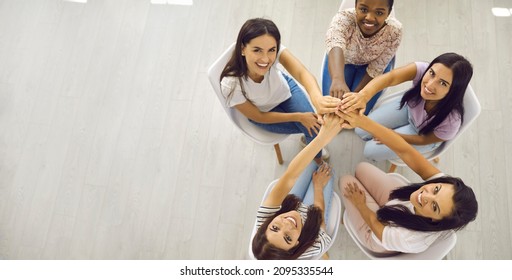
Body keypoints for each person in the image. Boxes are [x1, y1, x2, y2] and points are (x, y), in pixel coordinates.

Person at [337, 110, 478, 255]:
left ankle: (355, 215)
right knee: (362, 168)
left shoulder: (410, 238)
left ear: (437, 222)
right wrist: (364, 122)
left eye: (434, 207)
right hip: (395, 207)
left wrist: (360, 204)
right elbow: (406, 151)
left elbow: (376, 226)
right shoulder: (442, 189)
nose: (426, 196)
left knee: (346, 182)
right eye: (436, 189)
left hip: (377, 231)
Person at [220, 18, 341, 164]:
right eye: (257, 50)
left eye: (271, 50)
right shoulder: (231, 84)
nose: (265, 58)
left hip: (285, 91)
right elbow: (258, 116)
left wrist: (317, 98)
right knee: (314, 129)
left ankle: (313, 152)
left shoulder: (273, 51)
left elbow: (302, 72)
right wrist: (299, 117)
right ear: (242, 49)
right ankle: (318, 160)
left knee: (315, 128)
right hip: (263, 111)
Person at [341, 52, 473, 162]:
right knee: (360, 130)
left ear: (453, 90)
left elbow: (424, 139)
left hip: (422, 134)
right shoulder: (422, 70)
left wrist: (394, 135)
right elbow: (390, 78)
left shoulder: (452, 121)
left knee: (370, 152)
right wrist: (364, 95)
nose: (430, 85)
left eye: (443, 83)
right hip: (409, 108)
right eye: (432, 73)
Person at [252, 113, 344, 259]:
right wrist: (318, 187)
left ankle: (315, 156)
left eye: (275, 228)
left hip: (288, 205)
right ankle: (324, 256)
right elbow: (318, 214)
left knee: (311, 162)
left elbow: (290, 176)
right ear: (295, 245)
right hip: (311, 222)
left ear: (266, 225)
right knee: (326, 171)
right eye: (288, 238)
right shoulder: (315, 244)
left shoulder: (264, 218)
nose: (287, 225)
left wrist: (321, 139)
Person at [324, 0, 402, 115]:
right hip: (343, 62)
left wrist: (355, 97)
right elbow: (335, 44)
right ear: (355, 6)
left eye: (379, 13)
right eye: (364, 10)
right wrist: (337, 79)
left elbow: (376, 67)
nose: (370, 18)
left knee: (354, 112)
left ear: (389, 13)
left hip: (371, 68)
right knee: (331, 110)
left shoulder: (395, 31)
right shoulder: (343, 19)